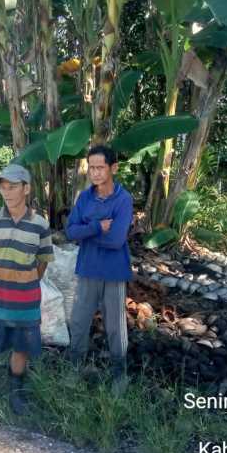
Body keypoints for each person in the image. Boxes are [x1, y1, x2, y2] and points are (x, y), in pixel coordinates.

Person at [0, 164, 54, 415]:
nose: (6, 192)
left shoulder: (40, 225)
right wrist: (2, 271)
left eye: (13, 187)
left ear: (26, 189)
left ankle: (16, 394)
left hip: (26, 300)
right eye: (3, 187)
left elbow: (42, 261)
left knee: (22, 349)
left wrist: (24, 279)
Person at [65, 145, 134, 396]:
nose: (94, 173)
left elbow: (116, 240)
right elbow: (69, 231)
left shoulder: (123, 199)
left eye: (100, 167)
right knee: (80, 322)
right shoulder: (85, 198)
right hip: (87, 270)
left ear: (112, 168)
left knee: (116, 327)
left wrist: (85, 232)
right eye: (91, 168)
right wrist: (96, 226)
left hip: (114, 272)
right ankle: (75, 369)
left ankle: (119, 375)